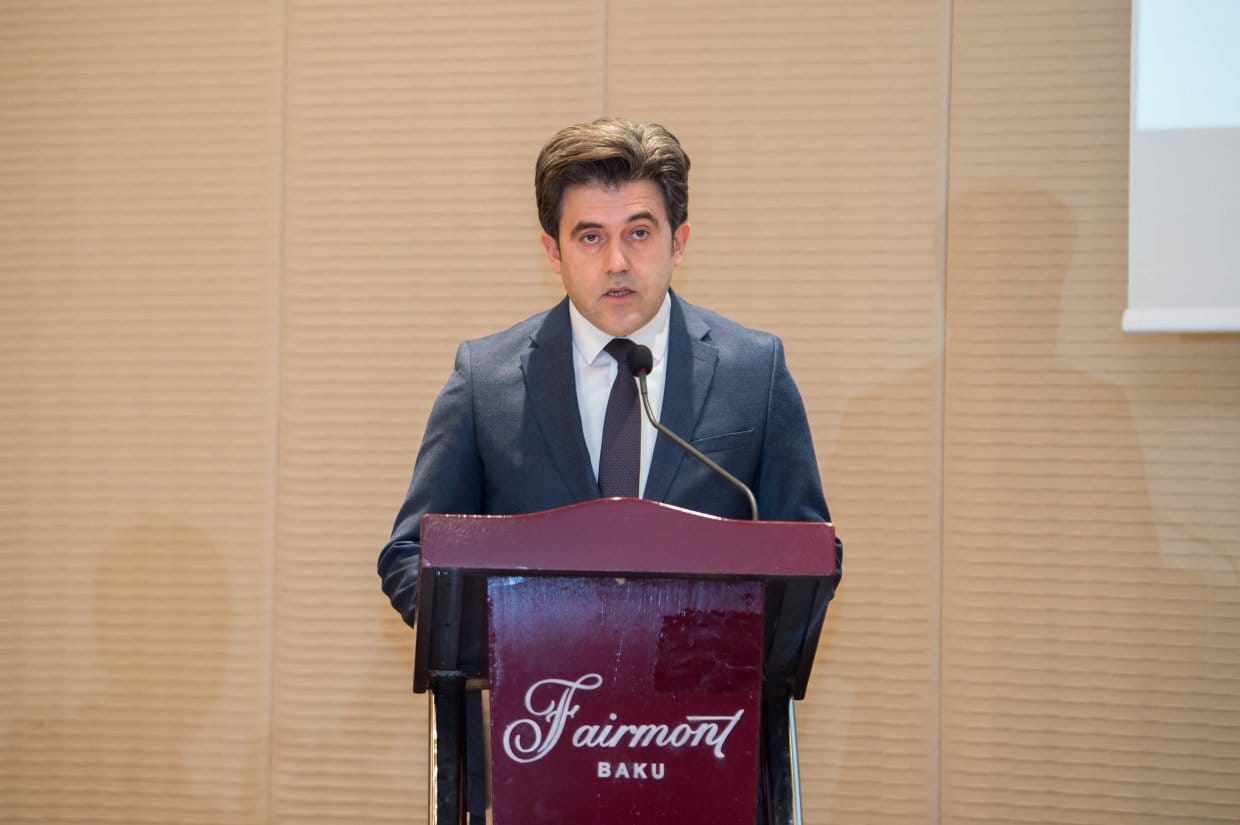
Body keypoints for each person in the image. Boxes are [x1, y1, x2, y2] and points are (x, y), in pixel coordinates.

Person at [377, 118, 841, 822]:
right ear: (552, 250)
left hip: (705, 749)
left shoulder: (755, 372)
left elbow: (810, 553)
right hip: (538, 744)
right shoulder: (486, 380)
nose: (617, 261)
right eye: (590, 236)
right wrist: (511, 641)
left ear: (679, 241)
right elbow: (410, 555)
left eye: (640, 232)